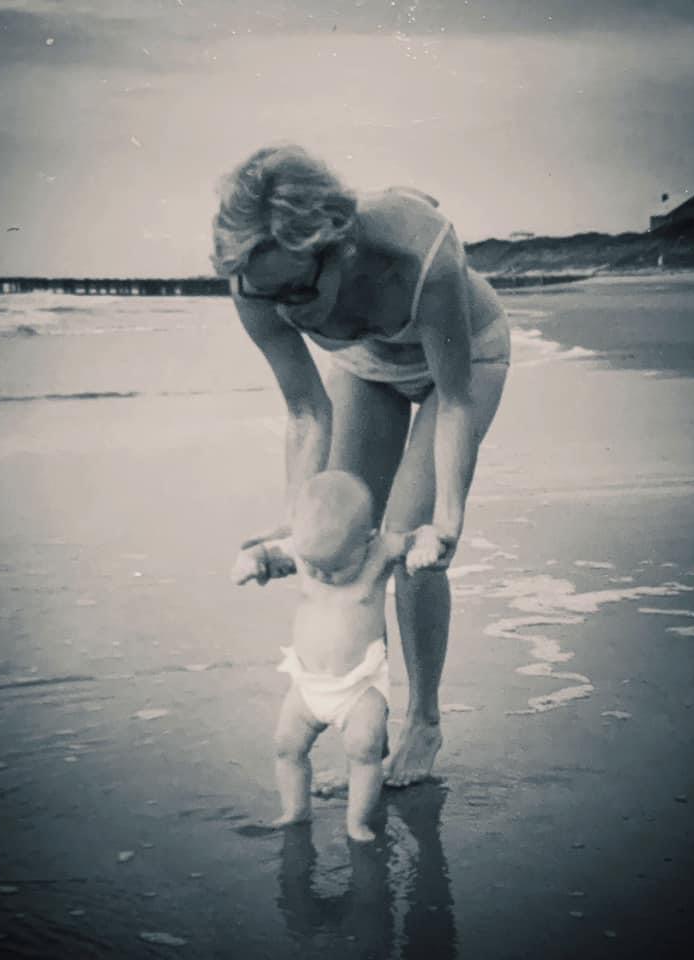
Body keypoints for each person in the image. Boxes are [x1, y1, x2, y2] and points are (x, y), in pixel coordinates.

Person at [212, 143, 511, 787]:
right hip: (369, 365)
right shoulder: (255, 283)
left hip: (464, 365)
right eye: (271, 297)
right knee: (340, 539)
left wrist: (449, 522)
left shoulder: (419, 253)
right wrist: (297, 528)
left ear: (339, 247)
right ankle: (352, 712)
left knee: (410, 536)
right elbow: (305, 413)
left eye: (297, 290)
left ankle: (424, 721)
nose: (286, 310)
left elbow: (455, 402)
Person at [231, 470, 439, 841]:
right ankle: (294, 810)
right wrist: (250, 561)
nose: (321, 576)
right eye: (313, 567)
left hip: (359, 688)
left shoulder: (381, 551)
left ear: (368, 540)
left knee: (364, 751)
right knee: (286, 746)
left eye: (335, 567)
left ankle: (357, 820)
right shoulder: (304, 545)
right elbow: (265, 550)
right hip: (306, 683)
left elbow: (422, 534)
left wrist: (426, 546)